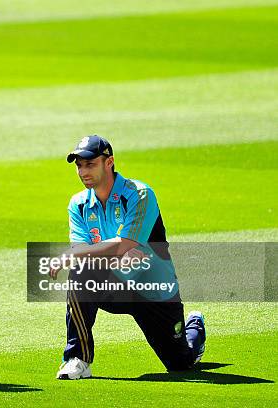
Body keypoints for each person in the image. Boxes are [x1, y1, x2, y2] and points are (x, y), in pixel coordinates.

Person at [50, 135, 206, 380]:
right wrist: (106, 252)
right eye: (79, 165)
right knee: (80, 273)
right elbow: (83, 252)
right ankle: (77, 358)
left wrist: (107, 249)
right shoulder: (78, 204)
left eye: (89, 164)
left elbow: (126, 244)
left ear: (109, 162)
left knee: (180, 363)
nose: (82, 171)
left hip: (153, 289)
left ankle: (194, 327)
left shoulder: (140, 194)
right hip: (113, 284)